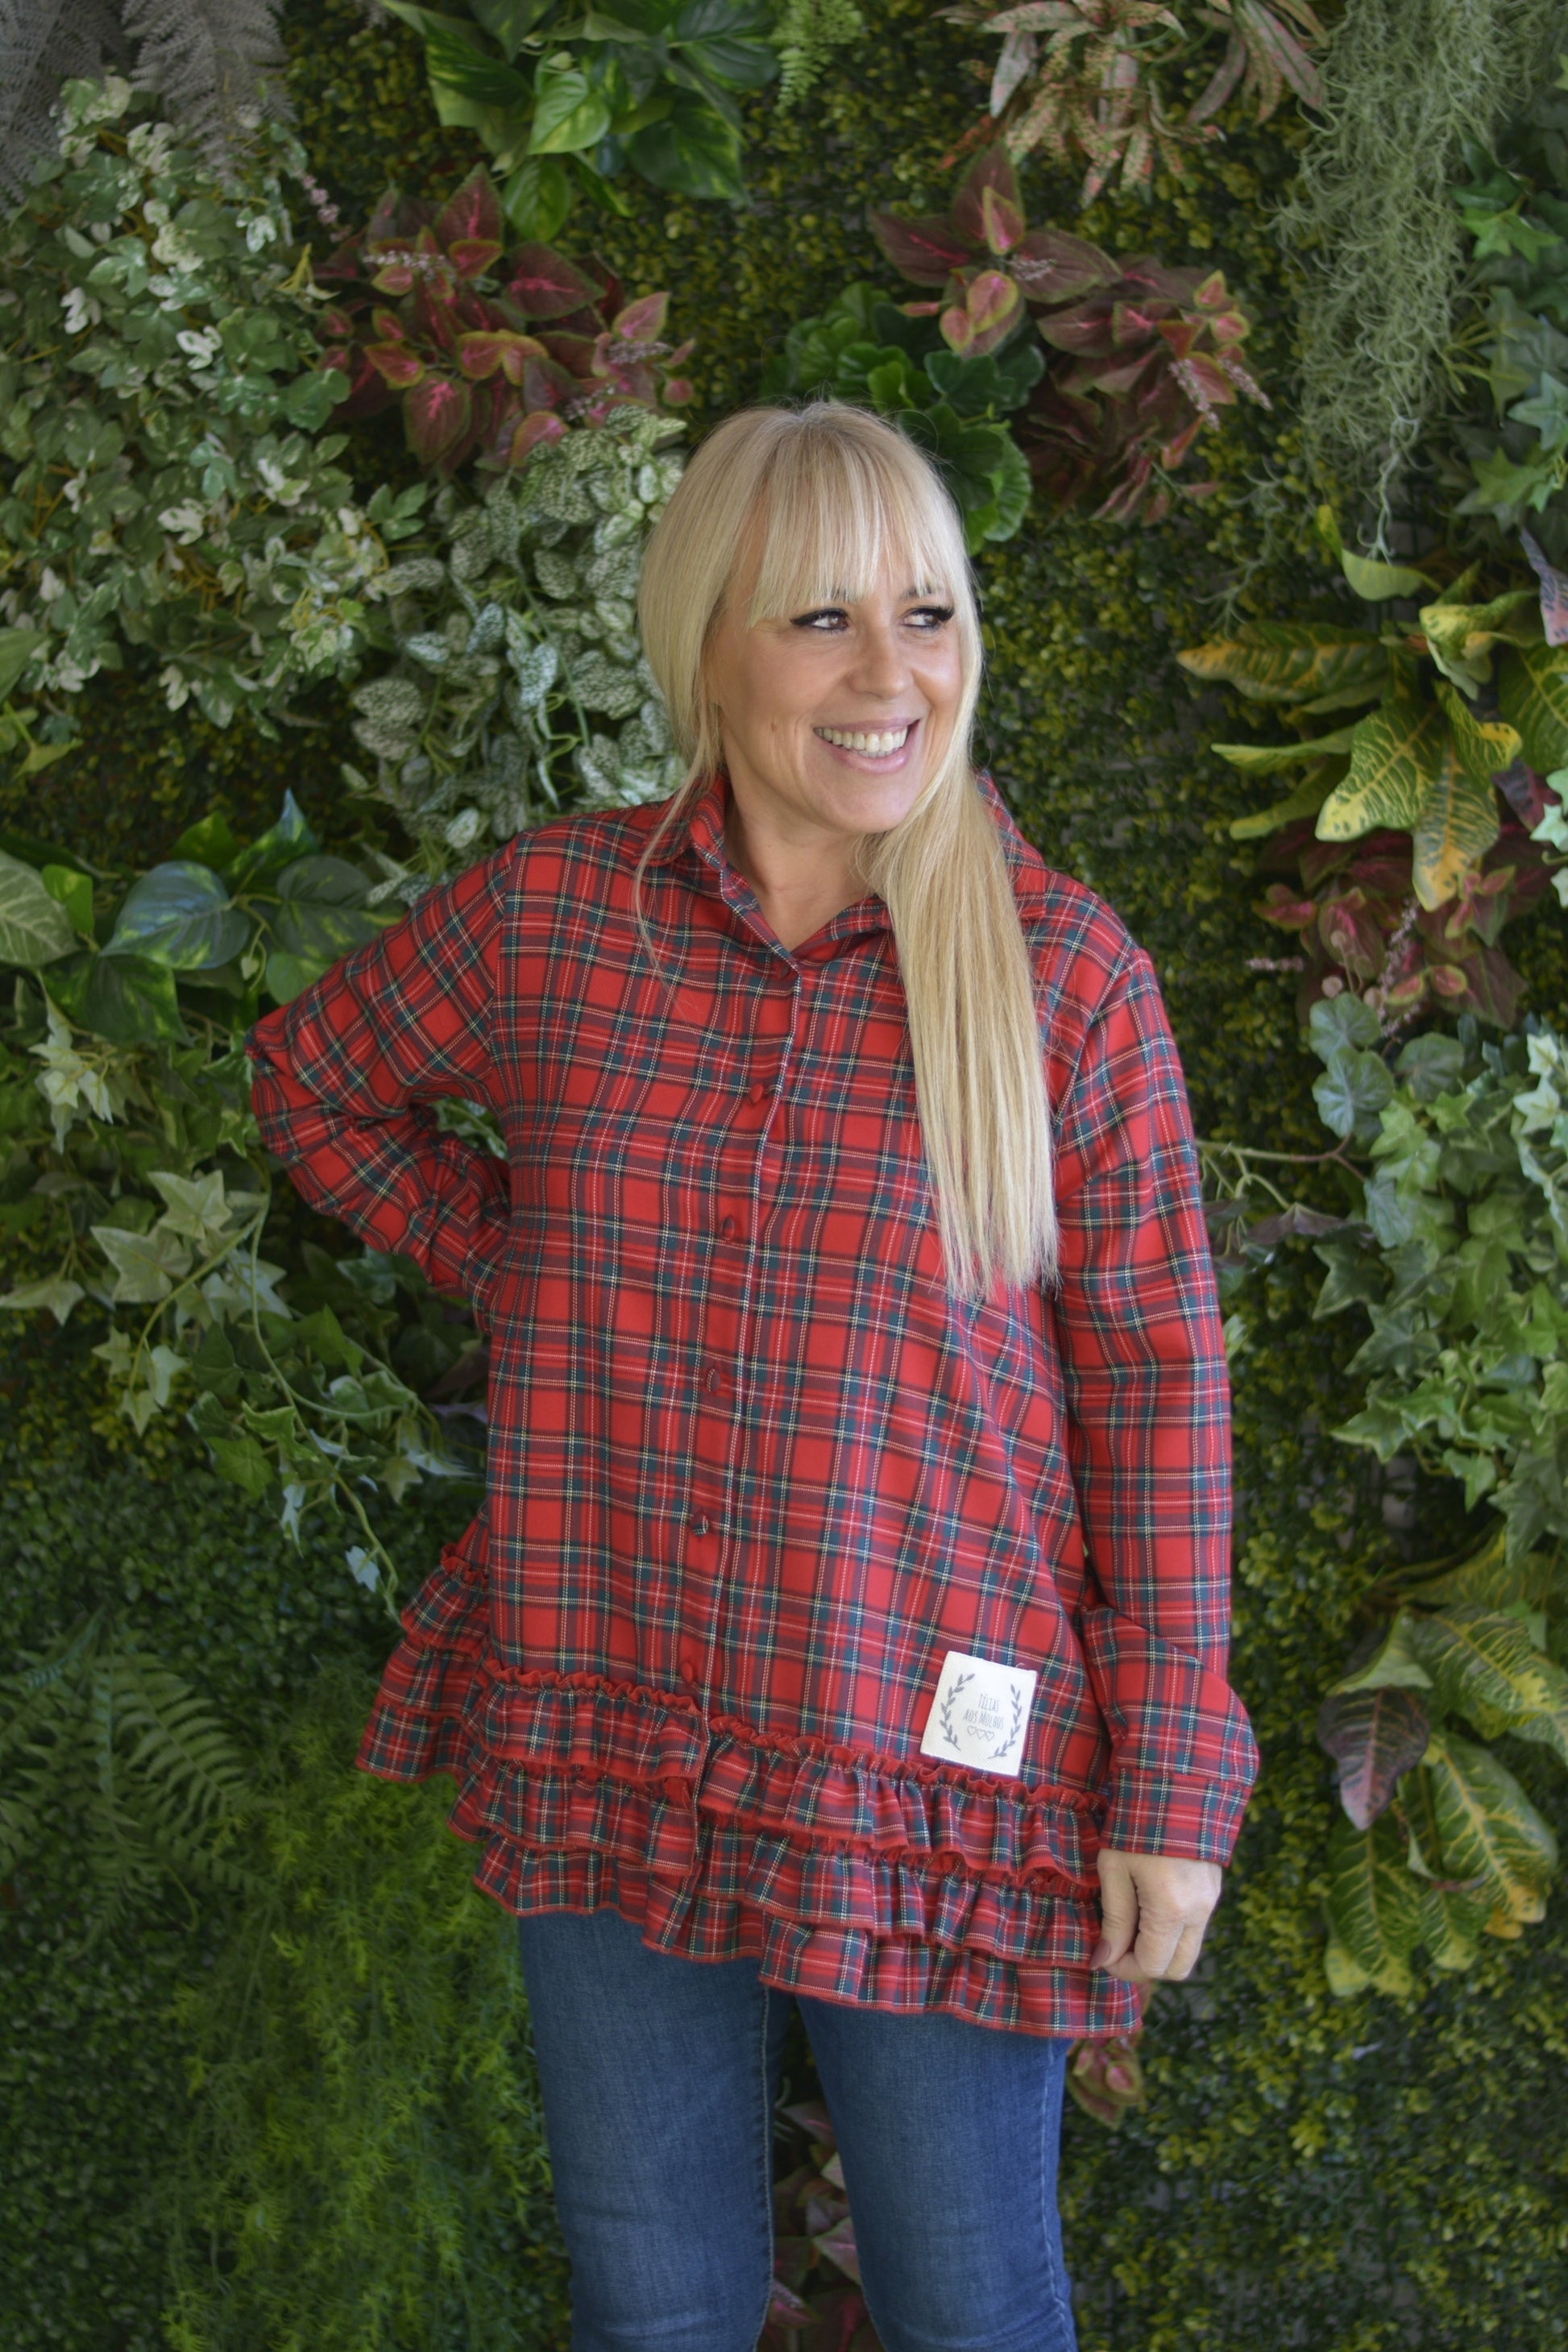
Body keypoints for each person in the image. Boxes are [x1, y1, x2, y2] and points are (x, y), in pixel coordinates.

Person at [247, 401, 1259, 2352]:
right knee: (654, 2305)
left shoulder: (1064, 978)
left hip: (927, 1758)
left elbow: (1160, 1399)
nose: (894, 674)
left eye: (928, 612)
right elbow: (316, 1082)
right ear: (705, 643)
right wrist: (530, 1266)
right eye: (821, 618)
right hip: (613, 1690)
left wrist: (1172, 1775)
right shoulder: (558, 919)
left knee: (971, 2306)